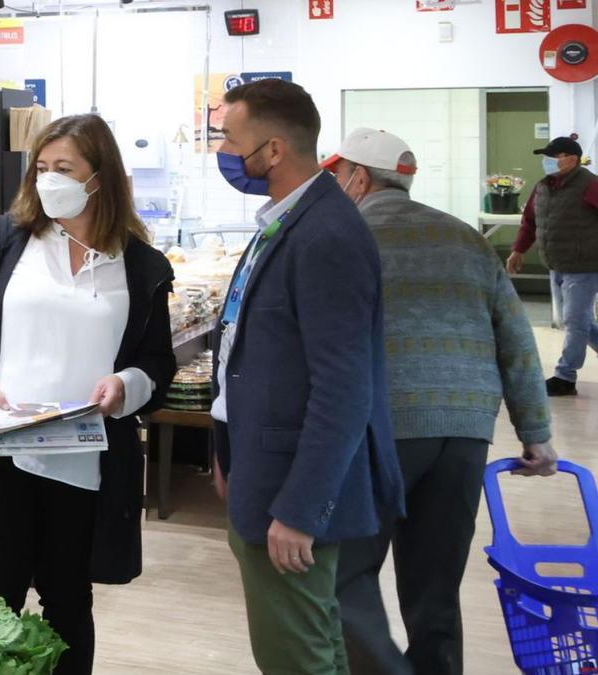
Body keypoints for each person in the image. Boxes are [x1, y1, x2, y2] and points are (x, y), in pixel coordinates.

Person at [0, 114, 177, 675]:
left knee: (67, 597)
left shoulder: (140, 266)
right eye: (41, 168)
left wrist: (125, 386)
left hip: (85, 457)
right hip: (3, 448)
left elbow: (156, 362)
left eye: (64, 168)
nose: (48, 180)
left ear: (99, 176)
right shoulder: (4, 241)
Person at [326, 128, 559, 675]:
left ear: (359, 177)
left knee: (344, 574)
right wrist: (536, 432)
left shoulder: (342, 237)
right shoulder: (465, 238)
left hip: (380, 430)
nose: (333, 184)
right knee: (436, 587)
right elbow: (517, 340)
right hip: (465, 431)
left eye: (336, 174)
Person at [210, 80, 404, 675]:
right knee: (313, 640)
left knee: (293, 653)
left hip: (288, 490)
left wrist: (299, 509)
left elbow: (344, 390)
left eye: (228, 139)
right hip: (259, 471)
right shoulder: (290, 220)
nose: (221, 150)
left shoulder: (326, 234)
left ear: (272, 151)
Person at [506, 136, 598, 397]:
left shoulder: (590, 185)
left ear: (571, 160)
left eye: (552, 157)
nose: (546, 162)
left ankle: (565, 376)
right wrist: (518, 250)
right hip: (556, 264)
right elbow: (529, 222)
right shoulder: (543, 187)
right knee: (574, 321)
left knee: (574, 321)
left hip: (584, 266)